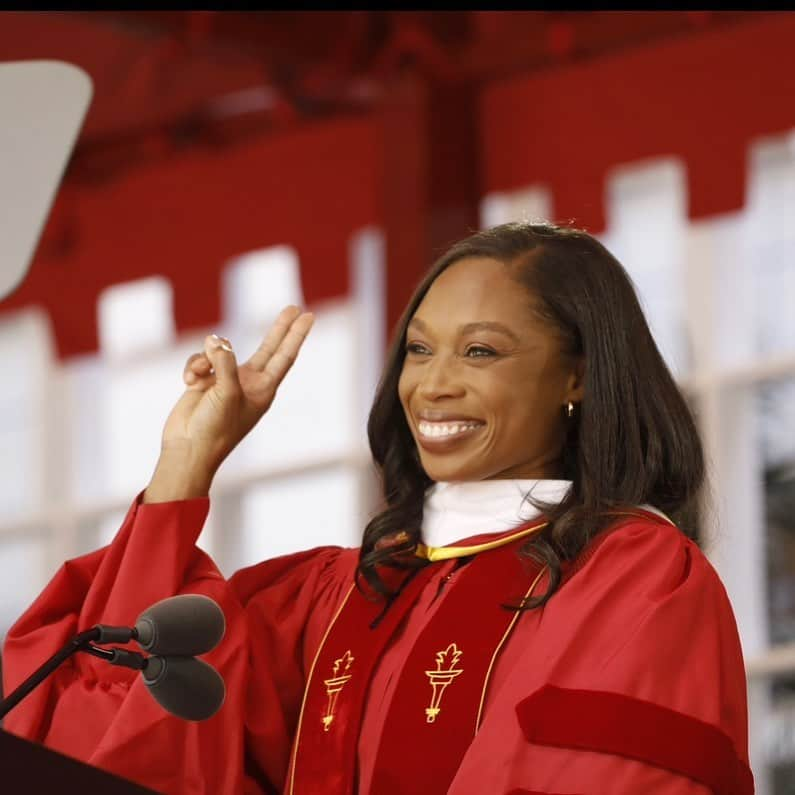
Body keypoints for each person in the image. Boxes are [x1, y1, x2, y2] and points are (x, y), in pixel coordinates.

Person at [2, 222, 753, 795]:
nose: (432, 386)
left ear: (578, 375)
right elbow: (110, 712)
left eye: (480, 352)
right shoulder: (336, 597)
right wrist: (188, 459)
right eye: (419, 351)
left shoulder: (632, 576)